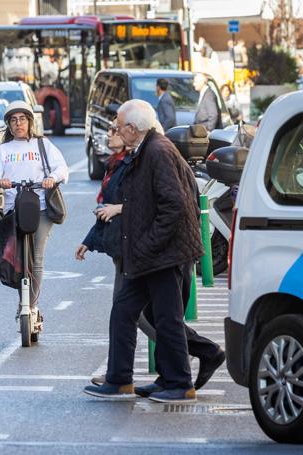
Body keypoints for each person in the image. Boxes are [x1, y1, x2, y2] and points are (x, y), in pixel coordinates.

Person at [78, 121, 225, 394]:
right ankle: (121, 379)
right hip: (147, 252)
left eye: (118, 126)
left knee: (165, 319)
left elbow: (174, 206)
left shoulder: (157, 151)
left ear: (134, 128)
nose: (114, 131)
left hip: (162, 253)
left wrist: (148, 244)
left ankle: (180, 383)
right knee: (127, 312)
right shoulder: (141, 153)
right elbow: (138, 203)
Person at [0, 100, 69, 330]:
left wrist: (52, 178)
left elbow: (62, 169)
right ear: (9, 126)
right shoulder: (3, 151)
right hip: (14, 211)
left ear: (30, 122)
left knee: (36, 257)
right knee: (19, 259)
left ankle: (30, 305)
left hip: (40, 209)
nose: (18, 123)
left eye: (22, 119)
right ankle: (24, 302)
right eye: (13, 120)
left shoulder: (43, 145)